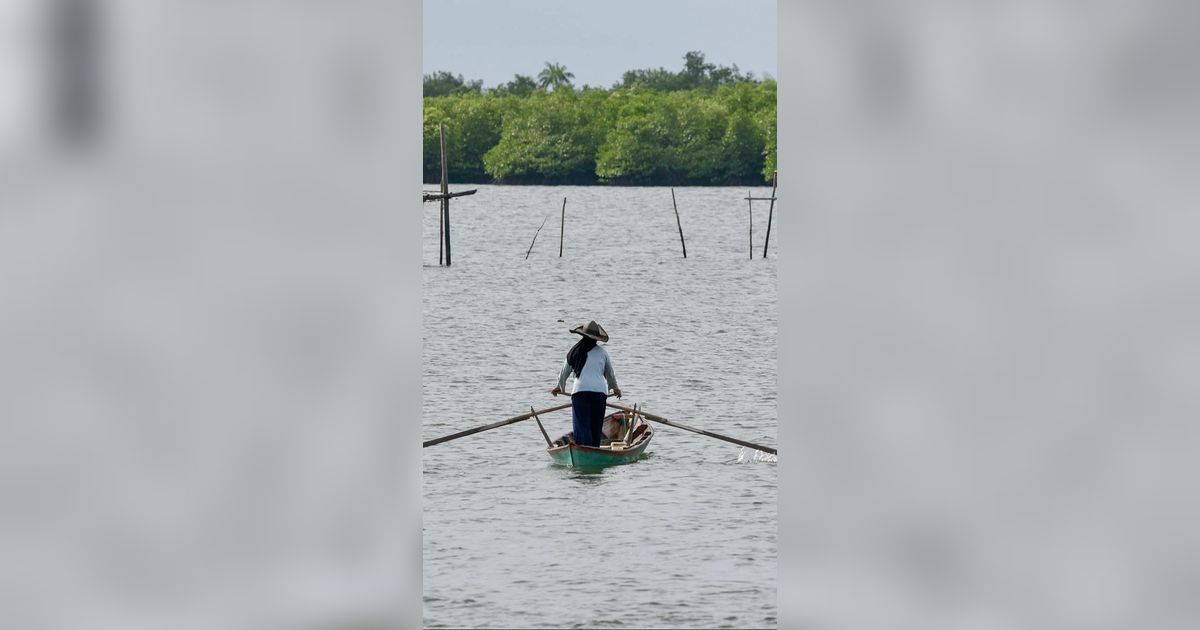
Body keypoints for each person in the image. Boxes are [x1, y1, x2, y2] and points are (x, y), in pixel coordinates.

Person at [550, 320, 621, 447]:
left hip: (580, 393)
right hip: (599, 394)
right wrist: (615, 389)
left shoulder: (574, 351)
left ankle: (585, 452)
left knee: (582, 427)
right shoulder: (603, 353)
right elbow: (609, 374)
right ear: (596, 339)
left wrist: (559, 387)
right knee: (595, 427)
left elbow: (564, 371)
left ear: (583, 335)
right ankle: (594, 451)